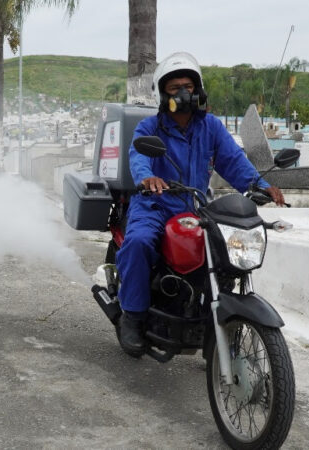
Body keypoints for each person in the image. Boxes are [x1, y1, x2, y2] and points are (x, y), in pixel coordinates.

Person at [115, 52, 285, 356]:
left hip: (195, 208)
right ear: (162, 93)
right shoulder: (150, 128)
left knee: (222, 255)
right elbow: (138, 157)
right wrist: (146, 178)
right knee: (139, 243)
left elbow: (233, 160)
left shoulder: (211, 128)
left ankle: (213, 318)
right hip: (155, 205)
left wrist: (259, 186)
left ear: (198, 89)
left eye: (188, 86)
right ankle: (133, 316)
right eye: (174, 87)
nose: (183, 92)